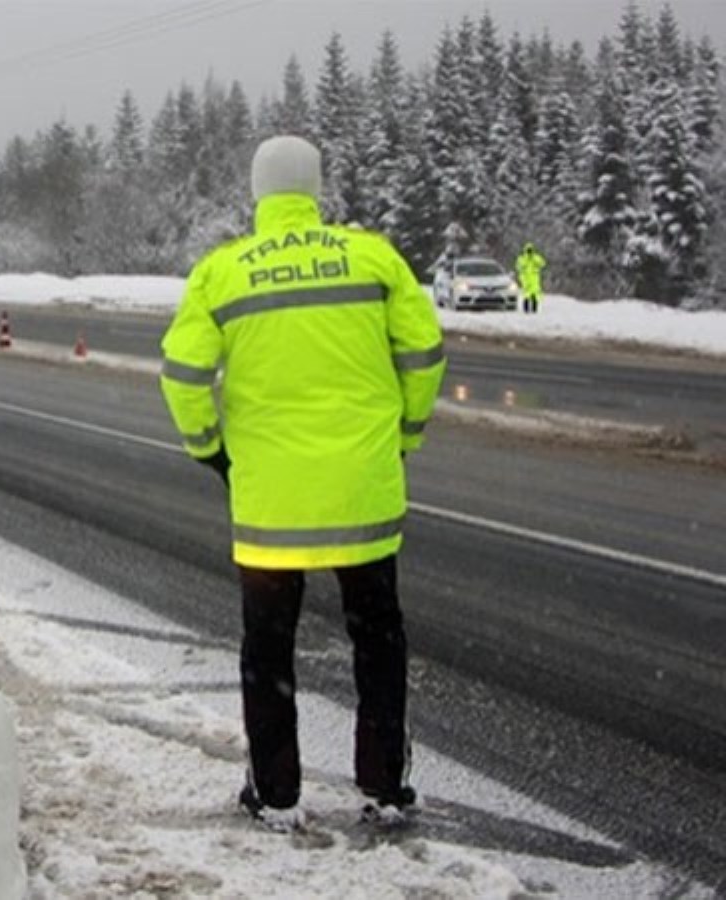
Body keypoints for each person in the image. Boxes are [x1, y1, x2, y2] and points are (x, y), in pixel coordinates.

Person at [159, 135, 445, 832]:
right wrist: (403, 437)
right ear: (316, 190)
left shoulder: (223, 272)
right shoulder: (371, 256)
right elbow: (425, 354)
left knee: (268, 648)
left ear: (258, 193)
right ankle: (382, 784)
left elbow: (183, 375)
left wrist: (213, 453)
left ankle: (275, 792)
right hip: (363, 495)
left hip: (270, 509)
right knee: (377, 637)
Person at [516, 242, 547, 314]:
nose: (529, 252)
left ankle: (534, 310)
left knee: (534, 296)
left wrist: (535, 259)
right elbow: (518, 266)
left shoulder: (536, 257)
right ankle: (526, 310)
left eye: (530, 250)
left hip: (534, 280)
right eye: (528, 250)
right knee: (526, 295)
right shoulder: (522, 258)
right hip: (525, 280)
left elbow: (543, 263)